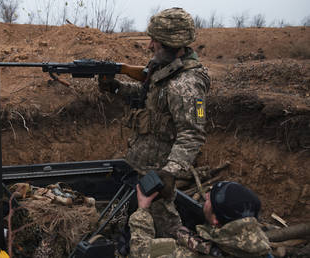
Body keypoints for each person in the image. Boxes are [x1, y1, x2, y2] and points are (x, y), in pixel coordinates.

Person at [98, 7, 210, 238]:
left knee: (165, 227)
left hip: (157, 173)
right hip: (139, 162)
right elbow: (145, 96)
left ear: (170, 44)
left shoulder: (187, 84)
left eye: (155, 41)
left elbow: (193, 134)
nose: (150, 45)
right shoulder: (164, 69)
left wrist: (168, 173)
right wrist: (116, 86)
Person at [129, 181, 272, 257]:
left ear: (216, 220)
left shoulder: (188, 255)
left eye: (211, 199)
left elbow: (140, 250)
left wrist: (142, 209)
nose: (207, 195)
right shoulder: (258, 246)